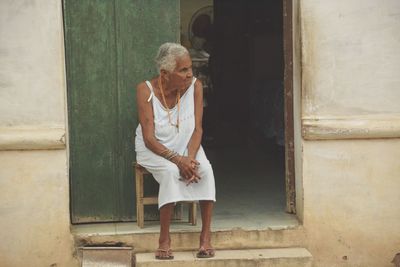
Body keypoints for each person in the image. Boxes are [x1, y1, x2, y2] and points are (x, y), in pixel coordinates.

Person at [135, 43, 216, 260]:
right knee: (171, 172)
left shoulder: (195, 86)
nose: (190, 74)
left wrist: (189, 159)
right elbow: (149, 138)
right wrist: (178, 161)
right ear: (165, 74)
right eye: (183, 70)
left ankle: (206, 237)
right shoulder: (145, 90)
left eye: (190, 68)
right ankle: (164, 241)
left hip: (187, 146)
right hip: (154, 149)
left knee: (206, 170)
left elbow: (198, 128)